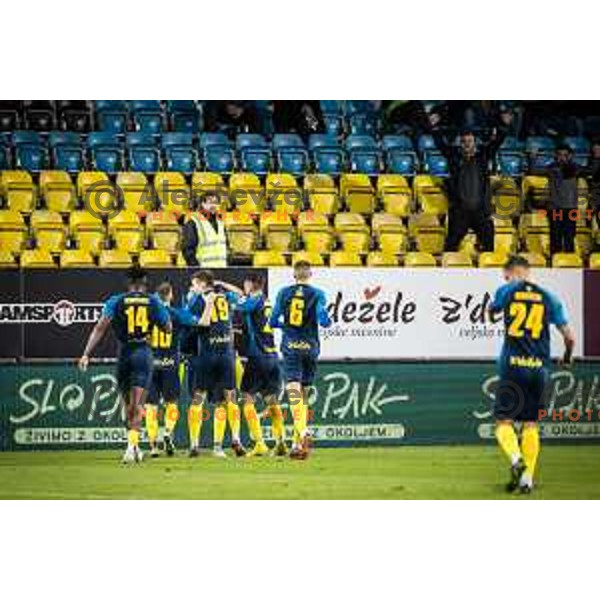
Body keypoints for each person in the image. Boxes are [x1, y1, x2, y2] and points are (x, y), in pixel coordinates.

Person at [488, 255, 575, 494]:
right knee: (531, 424)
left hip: (512, 366)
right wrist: (567, 357)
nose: (505, 280)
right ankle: (527, 480)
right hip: (539, 369)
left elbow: (491, 312)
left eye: (506, 276)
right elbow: (570, 338)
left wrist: (493, 314)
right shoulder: (550, 298)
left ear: (513, 273)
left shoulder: (506, 291)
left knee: (504, 421)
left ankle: (516, 460)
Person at [78, 267, 171, 464]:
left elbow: (99, 328)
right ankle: (132, 447)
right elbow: (167, 327)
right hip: (143, 353)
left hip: (124, 353)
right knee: (138, 404)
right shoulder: (153, 301)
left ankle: (132, 446)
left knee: (126, 403)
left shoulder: (115, 301)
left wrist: (86, 354)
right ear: (145, 283)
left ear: (128, 283)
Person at [219, 273, 288, 457]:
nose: (244, 287)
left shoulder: (252, 303)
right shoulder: (267, 302)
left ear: (251, 284)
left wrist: (222, 296)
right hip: (273, 356)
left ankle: (259, 444)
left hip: (256, 357)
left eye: (246, 284)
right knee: (272, 401)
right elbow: (242, 294)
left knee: (248, 400)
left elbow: (239, 303)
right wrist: (224, 283)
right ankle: (281, 441)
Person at [269, 261, 331, 459]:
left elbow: (272, 320)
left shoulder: (284, 293)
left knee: (293, 391)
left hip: (291, 347)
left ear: (294, 275)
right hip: (311, 348)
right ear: (310, 274)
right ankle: (297, 445)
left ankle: (303, 433)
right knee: (303, 396)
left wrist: (283, 325)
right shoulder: (318, 293)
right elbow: (323, 317)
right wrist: (324, 320)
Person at [429, 110, 513, 252]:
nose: (467, 144)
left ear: (475, 142)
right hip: (460, 212)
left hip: (480, 211)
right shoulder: (454, 157)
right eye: (464, 141)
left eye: (469, 141)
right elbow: (440, 144)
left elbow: (497, 142)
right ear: (460, 144)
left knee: (489, 246)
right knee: (451, 247)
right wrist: (434, 127)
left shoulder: (483, 156)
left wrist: (504, 125)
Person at [185, 270, 246, 458]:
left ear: (202, 284)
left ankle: (194, 444)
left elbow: (196, 323)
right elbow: (242, 295)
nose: (193, 288)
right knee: (228, 398)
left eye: (195, 284)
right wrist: (223, 283)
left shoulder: (196, 300)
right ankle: (227, 442)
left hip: (207, 355)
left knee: (198, 398)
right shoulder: (226, 297)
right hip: (226, 354)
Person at [145, 282, 199, 457]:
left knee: (151, 406)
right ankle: (167, 432)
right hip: (171, 364)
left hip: (151, 364)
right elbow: (195, 322)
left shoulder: (149, 314)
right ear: (170, 295)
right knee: (172, 403)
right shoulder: (176, 314)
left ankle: (153, 446)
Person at [531, 144, 583, 254]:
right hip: (555, 208)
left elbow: (589, 170)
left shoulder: (575, 168)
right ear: (556, 156)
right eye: (560, 155)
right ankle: (555, 261)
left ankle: (570, 260)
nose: (562, 157)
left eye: (565, 155)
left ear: (570, 156)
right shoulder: (551, 168)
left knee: (569, 237)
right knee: (555, 237)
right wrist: (533, 156)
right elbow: (534, 170)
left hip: (571, 208)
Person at [182, 191, 228, 267]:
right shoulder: (194, 222)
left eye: (216, 203)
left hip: (221, 269)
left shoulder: (221, 223)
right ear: (203, 204)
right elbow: (188, 249)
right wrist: (196, 267)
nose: (213, 205)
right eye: (210, 202)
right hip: (203, 270)